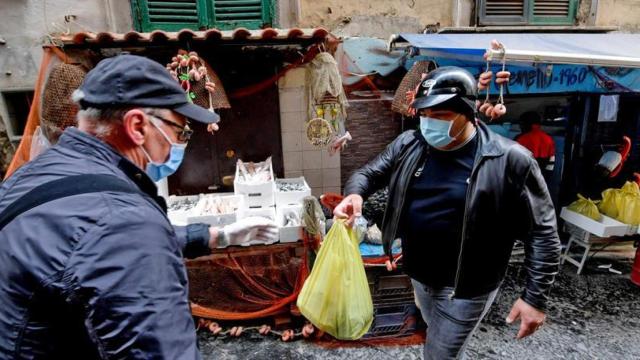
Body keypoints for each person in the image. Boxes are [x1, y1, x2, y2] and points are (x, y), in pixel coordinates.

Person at [0, 54, 278, 359]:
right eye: (180, 131)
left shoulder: (33, 175)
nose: (181, 143)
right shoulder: (124, 222)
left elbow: (88, 241)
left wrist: (216, 236)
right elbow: (161, 352)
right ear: (137, 126)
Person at [335, 67, 561, 359]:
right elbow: (368, 172)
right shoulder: (410, 144)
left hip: (466, 287)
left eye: (439, 116)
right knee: (444, 343)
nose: (429, 124)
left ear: (467, 113)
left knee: (438, 353)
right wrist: (355, 194)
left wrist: (535, 298)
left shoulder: (510, 160)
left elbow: (543, 233)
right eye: (425, 116)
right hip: (420, 276)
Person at [515, 111, 556, 181]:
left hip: (522, 180)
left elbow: (513, 163)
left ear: (526, 124)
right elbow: (550, 164)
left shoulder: (520, 139)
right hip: (540, 179)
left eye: (521, 124)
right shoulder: (549, 139)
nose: (520, 127)